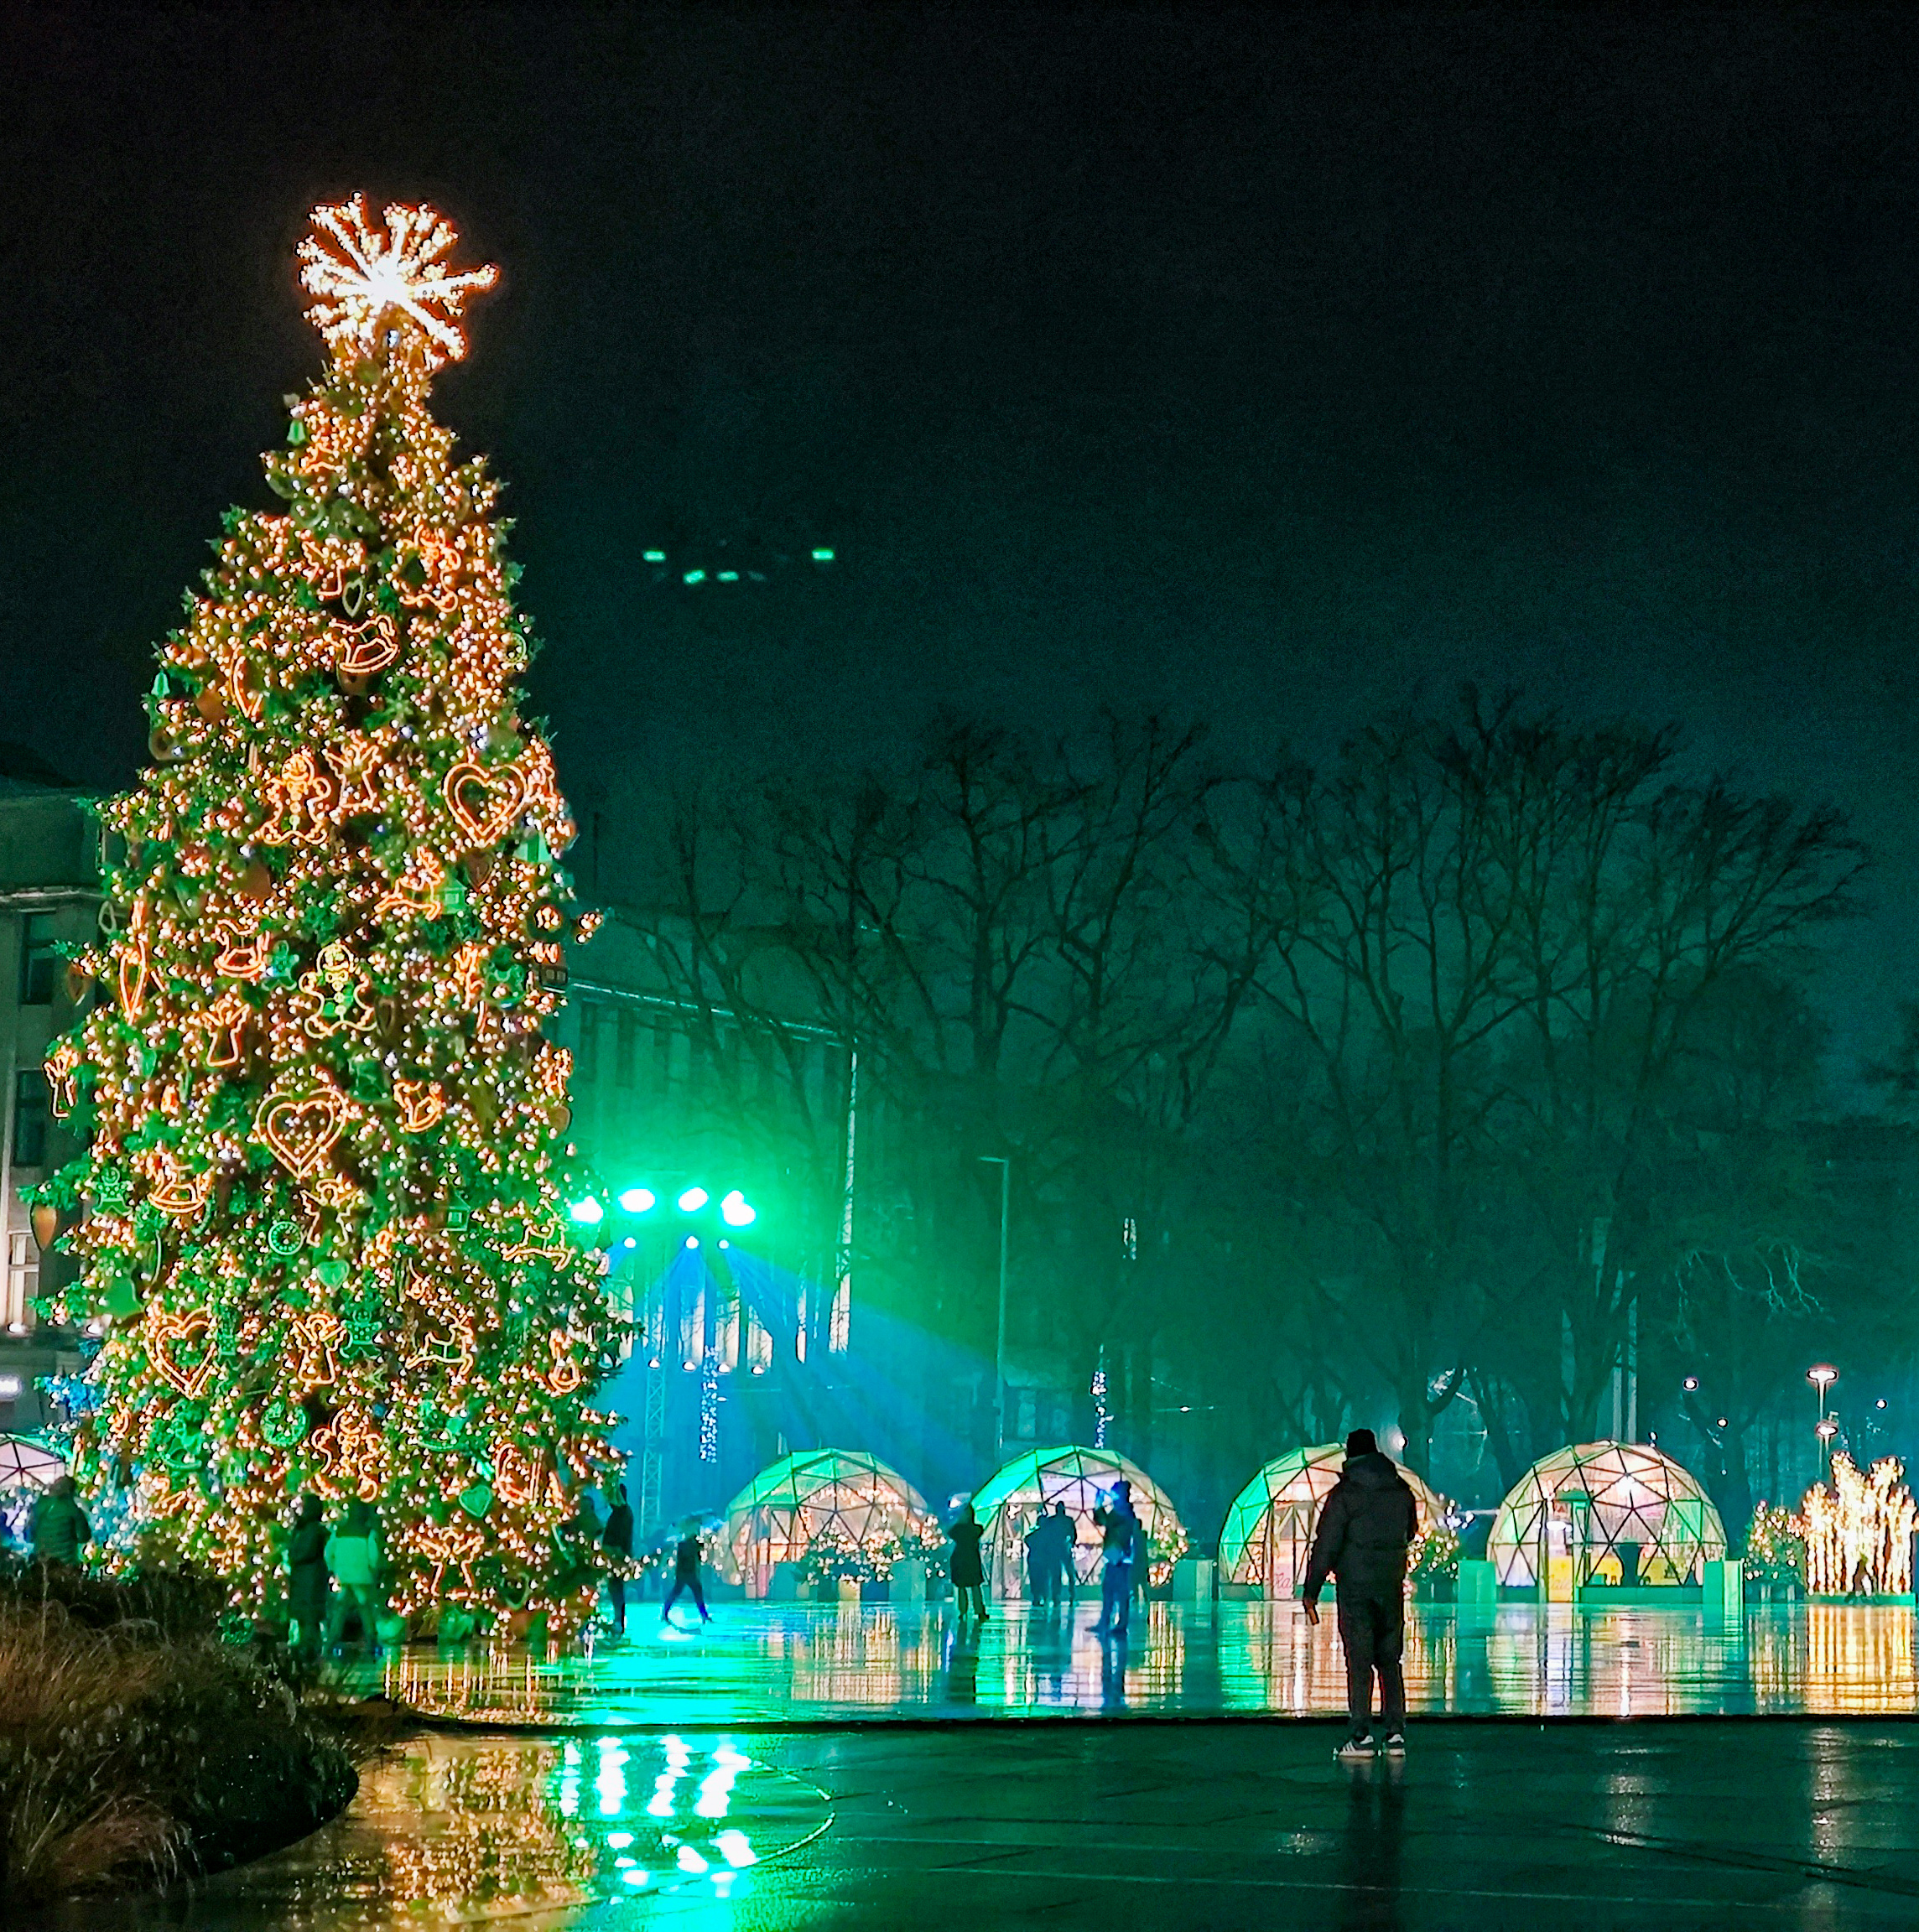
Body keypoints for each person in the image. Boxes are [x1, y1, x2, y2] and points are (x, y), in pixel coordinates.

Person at [1302, 1428, 1419, 1760]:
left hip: (1355, 1588)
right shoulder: (1401, 1491)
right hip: (1390, 1584)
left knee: (1359, 1659)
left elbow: (1326, 1545)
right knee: (1389, 1660)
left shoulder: (1345, 1495)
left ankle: (1361, 1735)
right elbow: (1411, 1530)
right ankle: (1396, 1733)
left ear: (1351, 1458)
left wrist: (1312, 1590)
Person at [324, 1498, 385, 1651]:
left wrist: (333, 1568)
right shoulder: (368, 1534)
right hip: (362, 1575)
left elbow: (328, 1553)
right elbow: (373, 1556)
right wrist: (373, 1569)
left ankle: (332, 1639)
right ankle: (372, 1638)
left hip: (343, 1575)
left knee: (340, 1608)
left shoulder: (339, 1532)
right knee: (364, 1606)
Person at [1092, 1481, 1141, 1638]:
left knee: (1118, 1591)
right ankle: (1108, 1622)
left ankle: (1118, 1624)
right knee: (1110, 1590)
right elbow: (1102, 1521)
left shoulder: (1123, 1512)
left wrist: (1099, 1503)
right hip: (1117, 1557)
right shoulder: (1121, 1511)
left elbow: (1104, 1521)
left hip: (1119, 1557)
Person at [287, 1494, 330, 1658]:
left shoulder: (312, 1530)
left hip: (309, 1578)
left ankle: (310, 1647)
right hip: (305, 1577)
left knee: (309, 1614)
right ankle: (308, 1646)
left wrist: (294, 1555)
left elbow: (305, 1552)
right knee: (306, 1614)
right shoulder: (306, 1528)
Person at [30, 1475, 89, 1566]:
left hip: (41, 1561)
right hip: (66, 1562)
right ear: (70, 1491)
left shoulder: (40, 1504)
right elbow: (84, 1536)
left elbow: (30, 1534)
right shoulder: (72, 1508)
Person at [662, 1519, 711, 1625]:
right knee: (690, 1593)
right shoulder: (686, 1545)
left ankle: (664, 1613)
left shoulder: (690, 1544)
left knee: (690, 1593)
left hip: (687, 1573)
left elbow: (698, 1557)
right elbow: (688, 1557)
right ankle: (704, 1615)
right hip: (686, 1573)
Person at [602, 1481, 636, 1635]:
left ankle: (618, 1621)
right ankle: (618, 1620)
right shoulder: (621, 1512)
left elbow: (620, 1536)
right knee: (615, 1588)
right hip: (617, 1554)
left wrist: (617, 1552)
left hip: (617, 1555)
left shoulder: (622, 1513)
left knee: (616, 1588)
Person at [948, 1501, 987, 1619]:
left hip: (960, 1558)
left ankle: (964, 1611)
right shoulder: (976, 1529)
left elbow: (951, 1533)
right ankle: (978, 1610)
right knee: (973, 1586)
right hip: (971, 1558)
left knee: (965, 1586)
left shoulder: (957, 1529)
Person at [1046, 1502, 1079, 1605]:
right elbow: (1074, 1534)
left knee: (1057, 1574)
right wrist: (1071, 1544)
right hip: (1064, 1549)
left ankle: (1056, 1596)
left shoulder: (1051, 1521)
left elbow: (1047, 1535)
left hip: (1055, 1550)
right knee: (1069, 1573)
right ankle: (1071, 1596)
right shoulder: (1068, 1521)